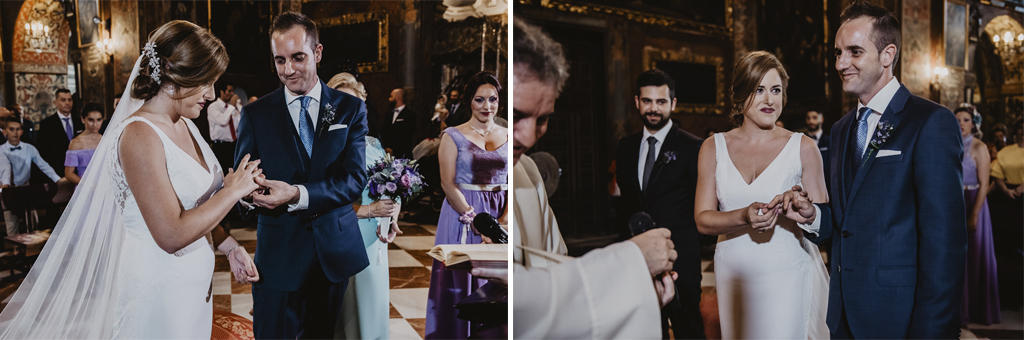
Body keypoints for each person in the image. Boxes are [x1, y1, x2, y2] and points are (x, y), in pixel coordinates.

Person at [0, 20, 260, 339]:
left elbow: (194, 205)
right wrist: (231, 192)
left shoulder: (187, 124)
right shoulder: (138, 135)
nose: (211, 93)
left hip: (192, 290)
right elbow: (170, 232)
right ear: (177, 77)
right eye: (207, 82)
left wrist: (229, 245)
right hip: (160, 292)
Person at [774, 2, 966, 338]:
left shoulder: (930, 122)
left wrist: (931, 331)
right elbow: (846, 221)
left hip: (901, 316)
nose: (841, 63)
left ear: (887, 54)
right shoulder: (842, 127)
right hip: (844, 315)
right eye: (837, 53)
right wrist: (812, 215)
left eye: (854, 52)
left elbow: (944, 244)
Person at [512, 19, 676, 339]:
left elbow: (556, 268)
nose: (530, 137)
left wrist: (638, 292)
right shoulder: (626, 146)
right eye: (518, 116)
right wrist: (630, 264)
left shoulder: (528, 172)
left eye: (543, 119)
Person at [234, 12, 369, 339]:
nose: (288, 69)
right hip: (279, 257)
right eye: (279, 60)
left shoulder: (350, 109)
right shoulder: (256, 114)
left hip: (333, 253)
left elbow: (354, 180)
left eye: (298, 57)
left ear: (318, 53)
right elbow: (242, 187)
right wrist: (249, 197)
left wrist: (297, 194)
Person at [693, 51, 830, 339]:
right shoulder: (712, 147)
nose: (770, 100)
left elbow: (824, 222)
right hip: (734, 272)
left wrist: (805, 208)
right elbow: (703, 220)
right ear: (740, 95)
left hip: (787, 272)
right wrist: (742, 216)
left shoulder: (803, 147)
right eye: (759, 89)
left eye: (776, 90)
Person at [614, 69, 706, 339]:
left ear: (673, 104)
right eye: (647, 101)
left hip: (681, 261)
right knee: (646, 332)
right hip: (637, 260)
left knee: (689, 331)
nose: (653, 108)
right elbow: (625, 205)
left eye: (661, 101)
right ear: (637, 102)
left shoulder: (693, 147)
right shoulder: (625, 147)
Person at [424, 71, 508, 339]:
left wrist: (503, 221)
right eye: (479, 99)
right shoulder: (453, 136)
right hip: (464, 213)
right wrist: (476, 221)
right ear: (470, 102)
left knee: (500, 285)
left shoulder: (509, 134)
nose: (487, 106)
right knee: (465, 281)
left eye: (492, 99)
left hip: (501, 212)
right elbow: (448, 184)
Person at [326, 71, 401, 340]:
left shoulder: (374, 145)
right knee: (350, 315)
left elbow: (393, 188)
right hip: (348, 238)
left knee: (375, 308)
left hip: (377, 243)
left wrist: (392, 216)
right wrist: (370, 211)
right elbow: (325, 203)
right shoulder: (326, 151)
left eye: (357, 105)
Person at [954, 106, 1000, 325]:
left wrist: (974, 214)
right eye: (958, 119)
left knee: (975, 255)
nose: (961, 123)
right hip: (954, 203)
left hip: (975, 202)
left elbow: (984, 185)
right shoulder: (949, 142)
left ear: (974, 123)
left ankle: (978, 310)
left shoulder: (980, 147)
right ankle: (958, 309)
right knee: (957, 258)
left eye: (966, 119)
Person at [0, 117, 62, 236]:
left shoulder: (29, 148)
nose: (15, 132)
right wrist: (4, 187)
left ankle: (32, 251)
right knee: (12, 224)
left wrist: (58, 179)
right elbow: (4, 170)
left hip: (26, 187)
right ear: (5, 131)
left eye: (18, 129)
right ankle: (16, 251)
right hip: (9, 188)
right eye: (12, 129)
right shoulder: (1, 150)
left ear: (22, 131)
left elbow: (43, 165)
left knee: (33, 222)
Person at [989, 117, 1023, 311]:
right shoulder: (1006, 151)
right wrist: (1006, 189)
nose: (1023, 132)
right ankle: (1008, 295)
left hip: (1022, 195)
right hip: (1007, 199)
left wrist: (1022, 188)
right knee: (1007, 249)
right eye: (1020, 129)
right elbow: (997, 172)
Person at [37, 89, 84, 173]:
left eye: (69, 99)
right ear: (56, 102)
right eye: (63, 100)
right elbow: (43, 152)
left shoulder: (80, 122)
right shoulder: (47, 124)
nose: (67, 103)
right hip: (57, 170)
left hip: (79, 168)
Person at [64, 103, 104, 185]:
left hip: (104, 187)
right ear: (83, 119)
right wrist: (88, 186)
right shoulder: (76, 143)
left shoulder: (106, 140)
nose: (95, 124)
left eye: (99, 120)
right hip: (84, 188)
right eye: (91, 120)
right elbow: (69, 173)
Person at [208, 82, 242, 175]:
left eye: (232, 91)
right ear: (222, 92)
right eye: (229, 91)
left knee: (234, 174)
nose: (232, 94)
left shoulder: (232, 108)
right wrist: (231, 106)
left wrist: (238, 106)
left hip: (233, 146)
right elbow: (222, 121)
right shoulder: (213, 107)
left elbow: (241, 123)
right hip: (220, 147)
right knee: (221, 175)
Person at [381, 88, 417, 158]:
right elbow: (384, 131)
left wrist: (394, 150)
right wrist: (386, 147)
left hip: (403, 154)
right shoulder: (388, 115)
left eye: (391, 96)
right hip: (388, 155)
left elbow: (407, 135)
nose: (389, 99)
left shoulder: (410, 115)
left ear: (397, 97)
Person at [804, 108, 832, 195]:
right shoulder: (801, 141)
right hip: (806, 188)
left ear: (822, 119)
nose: (811, 121)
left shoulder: (830, 141)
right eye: (808, 118)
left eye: (814, 117)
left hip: (827, 188)